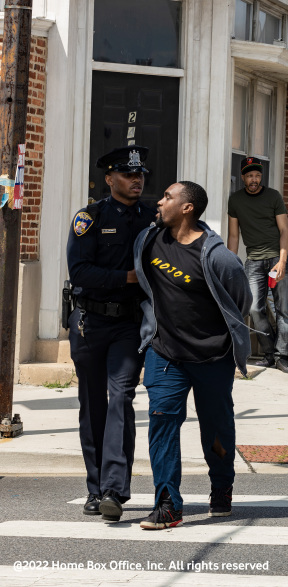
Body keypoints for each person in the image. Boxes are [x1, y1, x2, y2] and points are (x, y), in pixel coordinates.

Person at [134, 181, 252, 529]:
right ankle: (168, 503)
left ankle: (221, 486)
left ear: (187, 208)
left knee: (216, 427)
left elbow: (241, 302)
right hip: (165, 352)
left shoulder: (218, 256)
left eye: (168, 196)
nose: (160, 200)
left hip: (212, 357)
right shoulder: (148, 239)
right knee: (162, 422)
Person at [66, 145, 156, 522]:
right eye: (127, 174)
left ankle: (113, 491)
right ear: (109, 178)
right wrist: (127, 278)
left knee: (121, 396)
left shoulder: (153, 217)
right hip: (89, 322)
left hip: (128, 323)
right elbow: (80, 271)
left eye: (140, 175)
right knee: (93, 403)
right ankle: (94, 487)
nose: (136, 180)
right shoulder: (89, 218)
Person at [227, 157, 288, 374]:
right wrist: (230, 263)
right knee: (255, 308)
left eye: (257, 175)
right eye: (249, 176)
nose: (253, 179)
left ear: (261, 176)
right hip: (253, 260)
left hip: (277, 258)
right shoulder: (235, 200)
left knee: (282, 309)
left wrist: (283, 261)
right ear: (243, 178)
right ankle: (269, 353)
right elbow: (233, 235)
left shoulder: (273, 196)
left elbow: (285, 231)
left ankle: (283, 357)